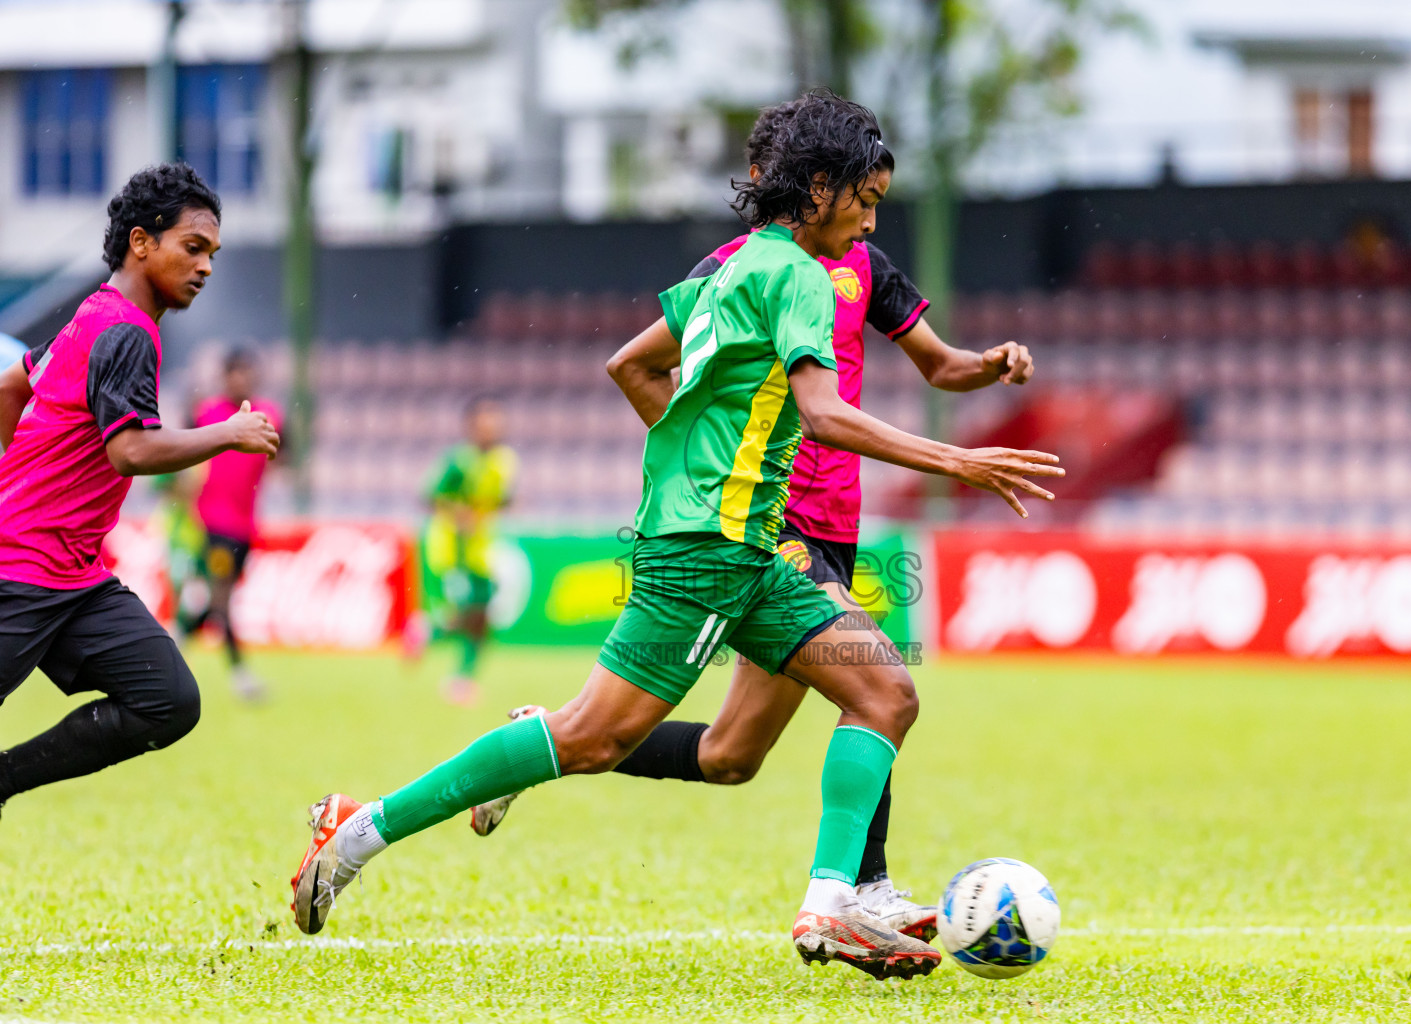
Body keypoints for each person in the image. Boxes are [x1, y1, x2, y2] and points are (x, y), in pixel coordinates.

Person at [288, 93, 1062, 979]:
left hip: (752, 548)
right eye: (864, 200)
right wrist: (956, 464)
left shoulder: (730, 270)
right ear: (817, 190)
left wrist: (698, 469)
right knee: (588, 739)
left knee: (882, 693)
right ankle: (357, 828)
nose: (870, 220)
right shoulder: (801, 276)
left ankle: (831, 907)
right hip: (704, 553)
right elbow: (824, 411)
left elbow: (633, 363)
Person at [0, 164, 280, 817]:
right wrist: (227, 432)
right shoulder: (124, 330)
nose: (205, 267)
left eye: (212, 253)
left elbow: (11, 387)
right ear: (141, 242)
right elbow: (128, 452)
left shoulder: (94, 315)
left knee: (167, 700)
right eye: (193, 247)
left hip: (72, 579)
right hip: (19, 571)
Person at [180, 349, 283, 701]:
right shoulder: (206, 413)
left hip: (246, 527)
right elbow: (179, 452)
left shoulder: (269, 416)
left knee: (215, 601)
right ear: (225, 377)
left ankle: (176, 639)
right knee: (222, 597)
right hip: (211, 523)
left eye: (247, 373)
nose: (242, 380)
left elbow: (285, 456)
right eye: (235, 373)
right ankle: (240, 674)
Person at [418, 396, 518, 705]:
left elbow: (502, 499)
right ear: (471, 427)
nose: (491, 427)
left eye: (495, 420)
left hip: (482, 547)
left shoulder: (505, 460)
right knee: (474, 613)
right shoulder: (459, 461)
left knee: (481, 616)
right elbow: (431, 497)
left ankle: (431, 636)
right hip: (454, 548)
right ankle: (459, 674)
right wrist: (460, 514)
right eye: (484, 422)